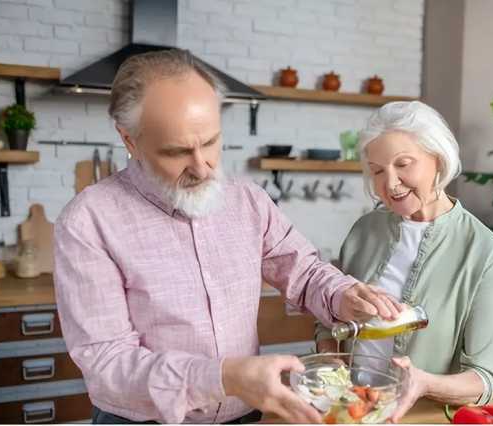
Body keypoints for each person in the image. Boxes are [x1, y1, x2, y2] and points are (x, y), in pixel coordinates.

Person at [53, 49, 401, 424]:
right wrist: (223, 377)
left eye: (211, 142)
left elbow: (304, 271)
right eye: (177, 152)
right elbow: (109, 365)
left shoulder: (247, 200)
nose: (202, 167)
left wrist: (342, 294)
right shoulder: (89, 221)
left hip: (243, 416)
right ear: (130, 140)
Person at [315, 101, 493, 422]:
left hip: (419, 418)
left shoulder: (482, 249)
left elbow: (483, 378)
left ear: (438, 158)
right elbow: (329, 318)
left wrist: (423, 383)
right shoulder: (364, 231)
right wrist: (330, 358)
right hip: (349, 412)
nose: (389, 183)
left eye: (403, 164)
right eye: (377, 170)